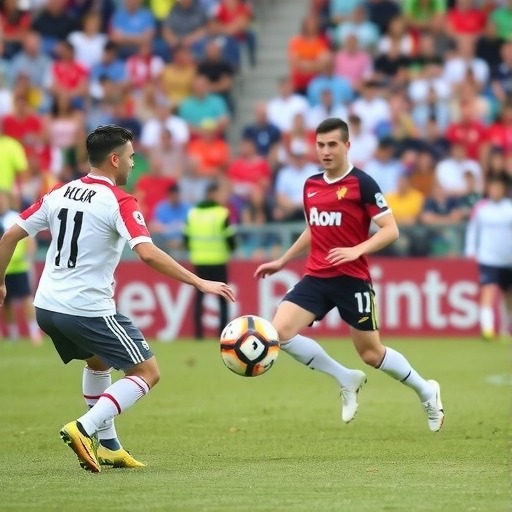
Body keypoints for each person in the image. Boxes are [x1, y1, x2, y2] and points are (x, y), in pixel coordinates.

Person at [0, 125, 235, 473]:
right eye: (130, 157)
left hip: (47, 308)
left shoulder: (59, 192)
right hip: (86, 308)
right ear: (114, 159)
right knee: (147, 372)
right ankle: (84, 428)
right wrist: (199, 281)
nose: (133, 163)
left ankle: (110, 447)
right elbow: (148, 253)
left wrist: (0, 283)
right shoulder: (119, 201)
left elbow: (9, 236)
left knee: (98, 362)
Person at [254, 118, 444, 432]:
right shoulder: (311, 184)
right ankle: (345, 378)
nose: (325, 151)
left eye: (332, 144)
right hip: (317, 276)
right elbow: (314, 229)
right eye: (320, 145)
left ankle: (426, 390)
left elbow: (391, 230)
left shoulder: (362, 184)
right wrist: (283, 260)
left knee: (371, 354)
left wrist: (357, 250)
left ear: (346, 146)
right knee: (280, 332)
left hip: (352, 279)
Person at [184, 181, 236, 340]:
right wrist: (230, 250)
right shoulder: (222, 213)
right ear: (213, 194)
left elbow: (186, 238)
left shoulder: (192, 214)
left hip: (199, 260)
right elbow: (230, 240)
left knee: (199, 297)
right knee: (223, 296)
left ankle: (198, 334)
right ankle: (223, 332)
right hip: (218, 260)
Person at [465, 173, 512, 341]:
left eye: (498, 188)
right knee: (488, 291)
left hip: (508, 259)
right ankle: (487, 329)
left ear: (503, 190)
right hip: (488, 258)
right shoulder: (481, 208)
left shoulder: (509, 208)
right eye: (492, 188)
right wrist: (471, 250)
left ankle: (506, 329)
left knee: (508, 296)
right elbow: (473, 229)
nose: (495, 191)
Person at [0, 190, 42, 345]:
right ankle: (13, 334)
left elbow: (29, 238)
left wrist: (29, 257)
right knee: (6, 302)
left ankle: (34, 332)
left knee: (26, 298)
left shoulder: (15, 218)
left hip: (19, 266)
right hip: (4, 268)